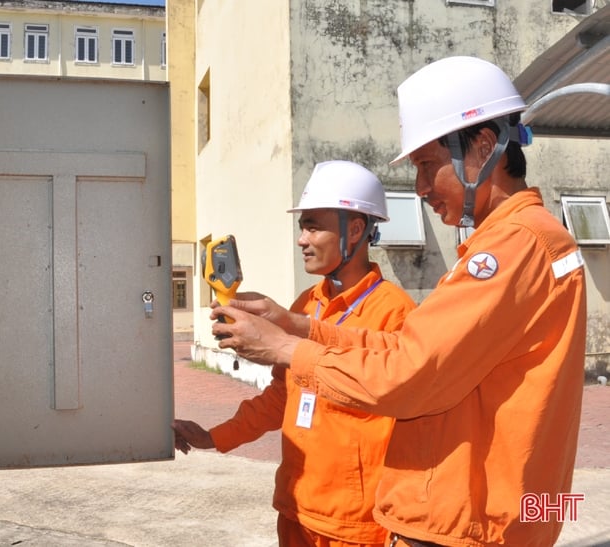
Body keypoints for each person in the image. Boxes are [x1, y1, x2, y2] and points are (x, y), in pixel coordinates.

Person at [209, 56, 587, 547]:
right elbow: (407, 349)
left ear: (484, 149)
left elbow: (407, 374)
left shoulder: (513, 248)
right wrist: (297, 327)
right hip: (462, 520)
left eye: (428, 166)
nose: (422, 188)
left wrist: (283, 348)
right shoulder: (516, 243)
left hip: (467, 526)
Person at [173, 160, 417, 547]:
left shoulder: (394, 311)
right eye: (302, 226)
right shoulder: (306, 304)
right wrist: (214, 437)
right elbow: (281, 398)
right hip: (295, 510)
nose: (302, 239)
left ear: (355, 230)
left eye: (313, 226)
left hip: (355, 525)